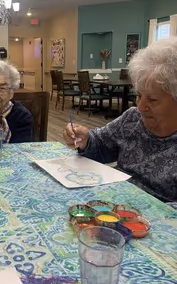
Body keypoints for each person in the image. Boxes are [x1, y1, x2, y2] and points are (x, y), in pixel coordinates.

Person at [64, 38, 177, 202]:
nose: (141, 106)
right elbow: (101, 143)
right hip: (114, 204)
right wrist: (86, 139)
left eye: (152, 99)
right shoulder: (132, 118)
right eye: (138, 95)